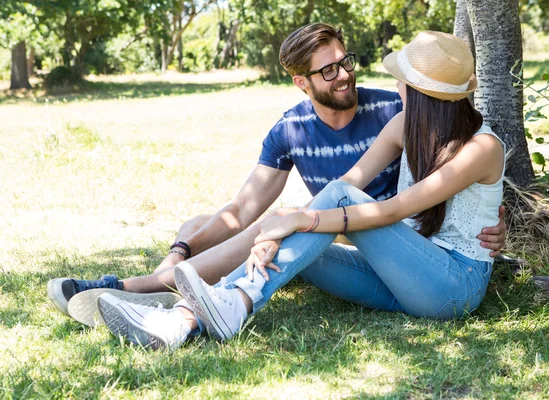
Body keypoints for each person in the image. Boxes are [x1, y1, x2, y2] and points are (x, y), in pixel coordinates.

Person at [50, 24, 506, 344]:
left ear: (424, 92)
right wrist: (284, 227)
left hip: (451, 286)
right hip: (404, 274)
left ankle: (225, 302)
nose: (394, 85)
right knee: (297, 246)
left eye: (404, 80)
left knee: (304, 219)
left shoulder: (481, 147)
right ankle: (180, 320)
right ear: (301, 82)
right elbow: (344, 182)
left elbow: (393, 209)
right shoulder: (401, 123)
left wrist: (299, 219)